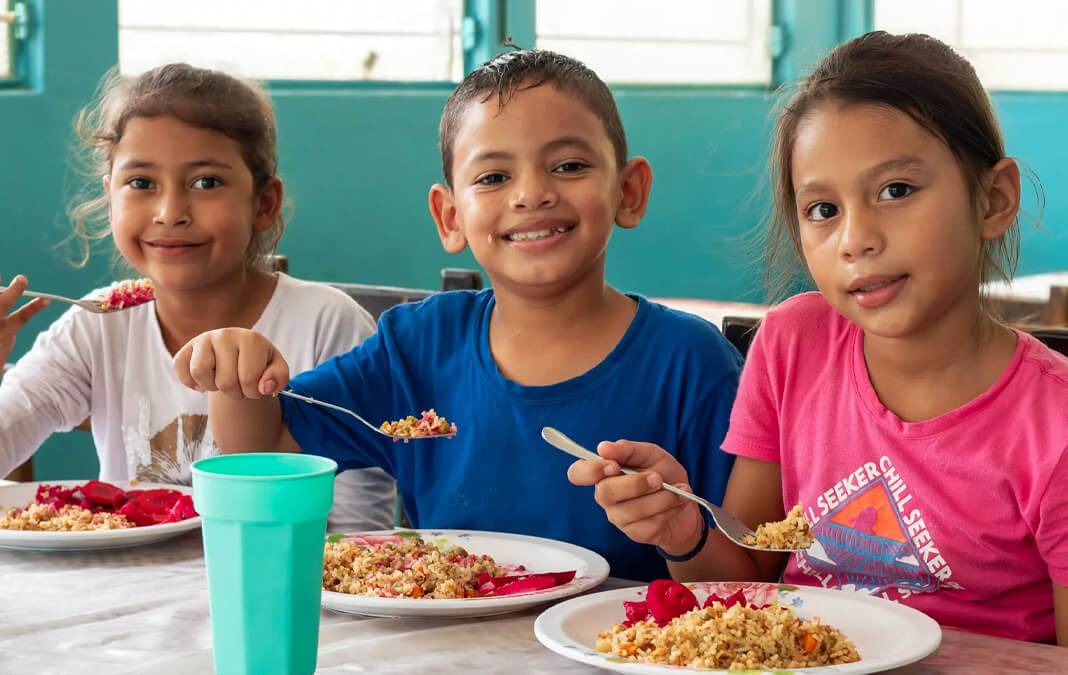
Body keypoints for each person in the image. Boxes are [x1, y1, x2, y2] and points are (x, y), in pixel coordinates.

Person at [569, 31, 1068, 645]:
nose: (855, 238)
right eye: (823, 209)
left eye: (896, 191)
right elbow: (747, 588)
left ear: (993, 200)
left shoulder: (1055, 425)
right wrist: (682, 527)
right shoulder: (793, 344)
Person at [172, 49, 742, 581]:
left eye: (568, 165)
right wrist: (236, 377)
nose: (531, 194)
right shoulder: (417, 346)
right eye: (494, 177)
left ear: (628, 191)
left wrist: (681, 534)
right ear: (450, 217)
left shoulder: (691, 364)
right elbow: (270, 448)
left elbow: (749, 581)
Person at [0, 63, 395, 532]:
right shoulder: (96, 325)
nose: (170, 213)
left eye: (206, 182)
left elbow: (360, 532)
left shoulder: (327, 326)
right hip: (121, 594)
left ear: (264, 203)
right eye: (141, 183)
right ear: (110, 198)